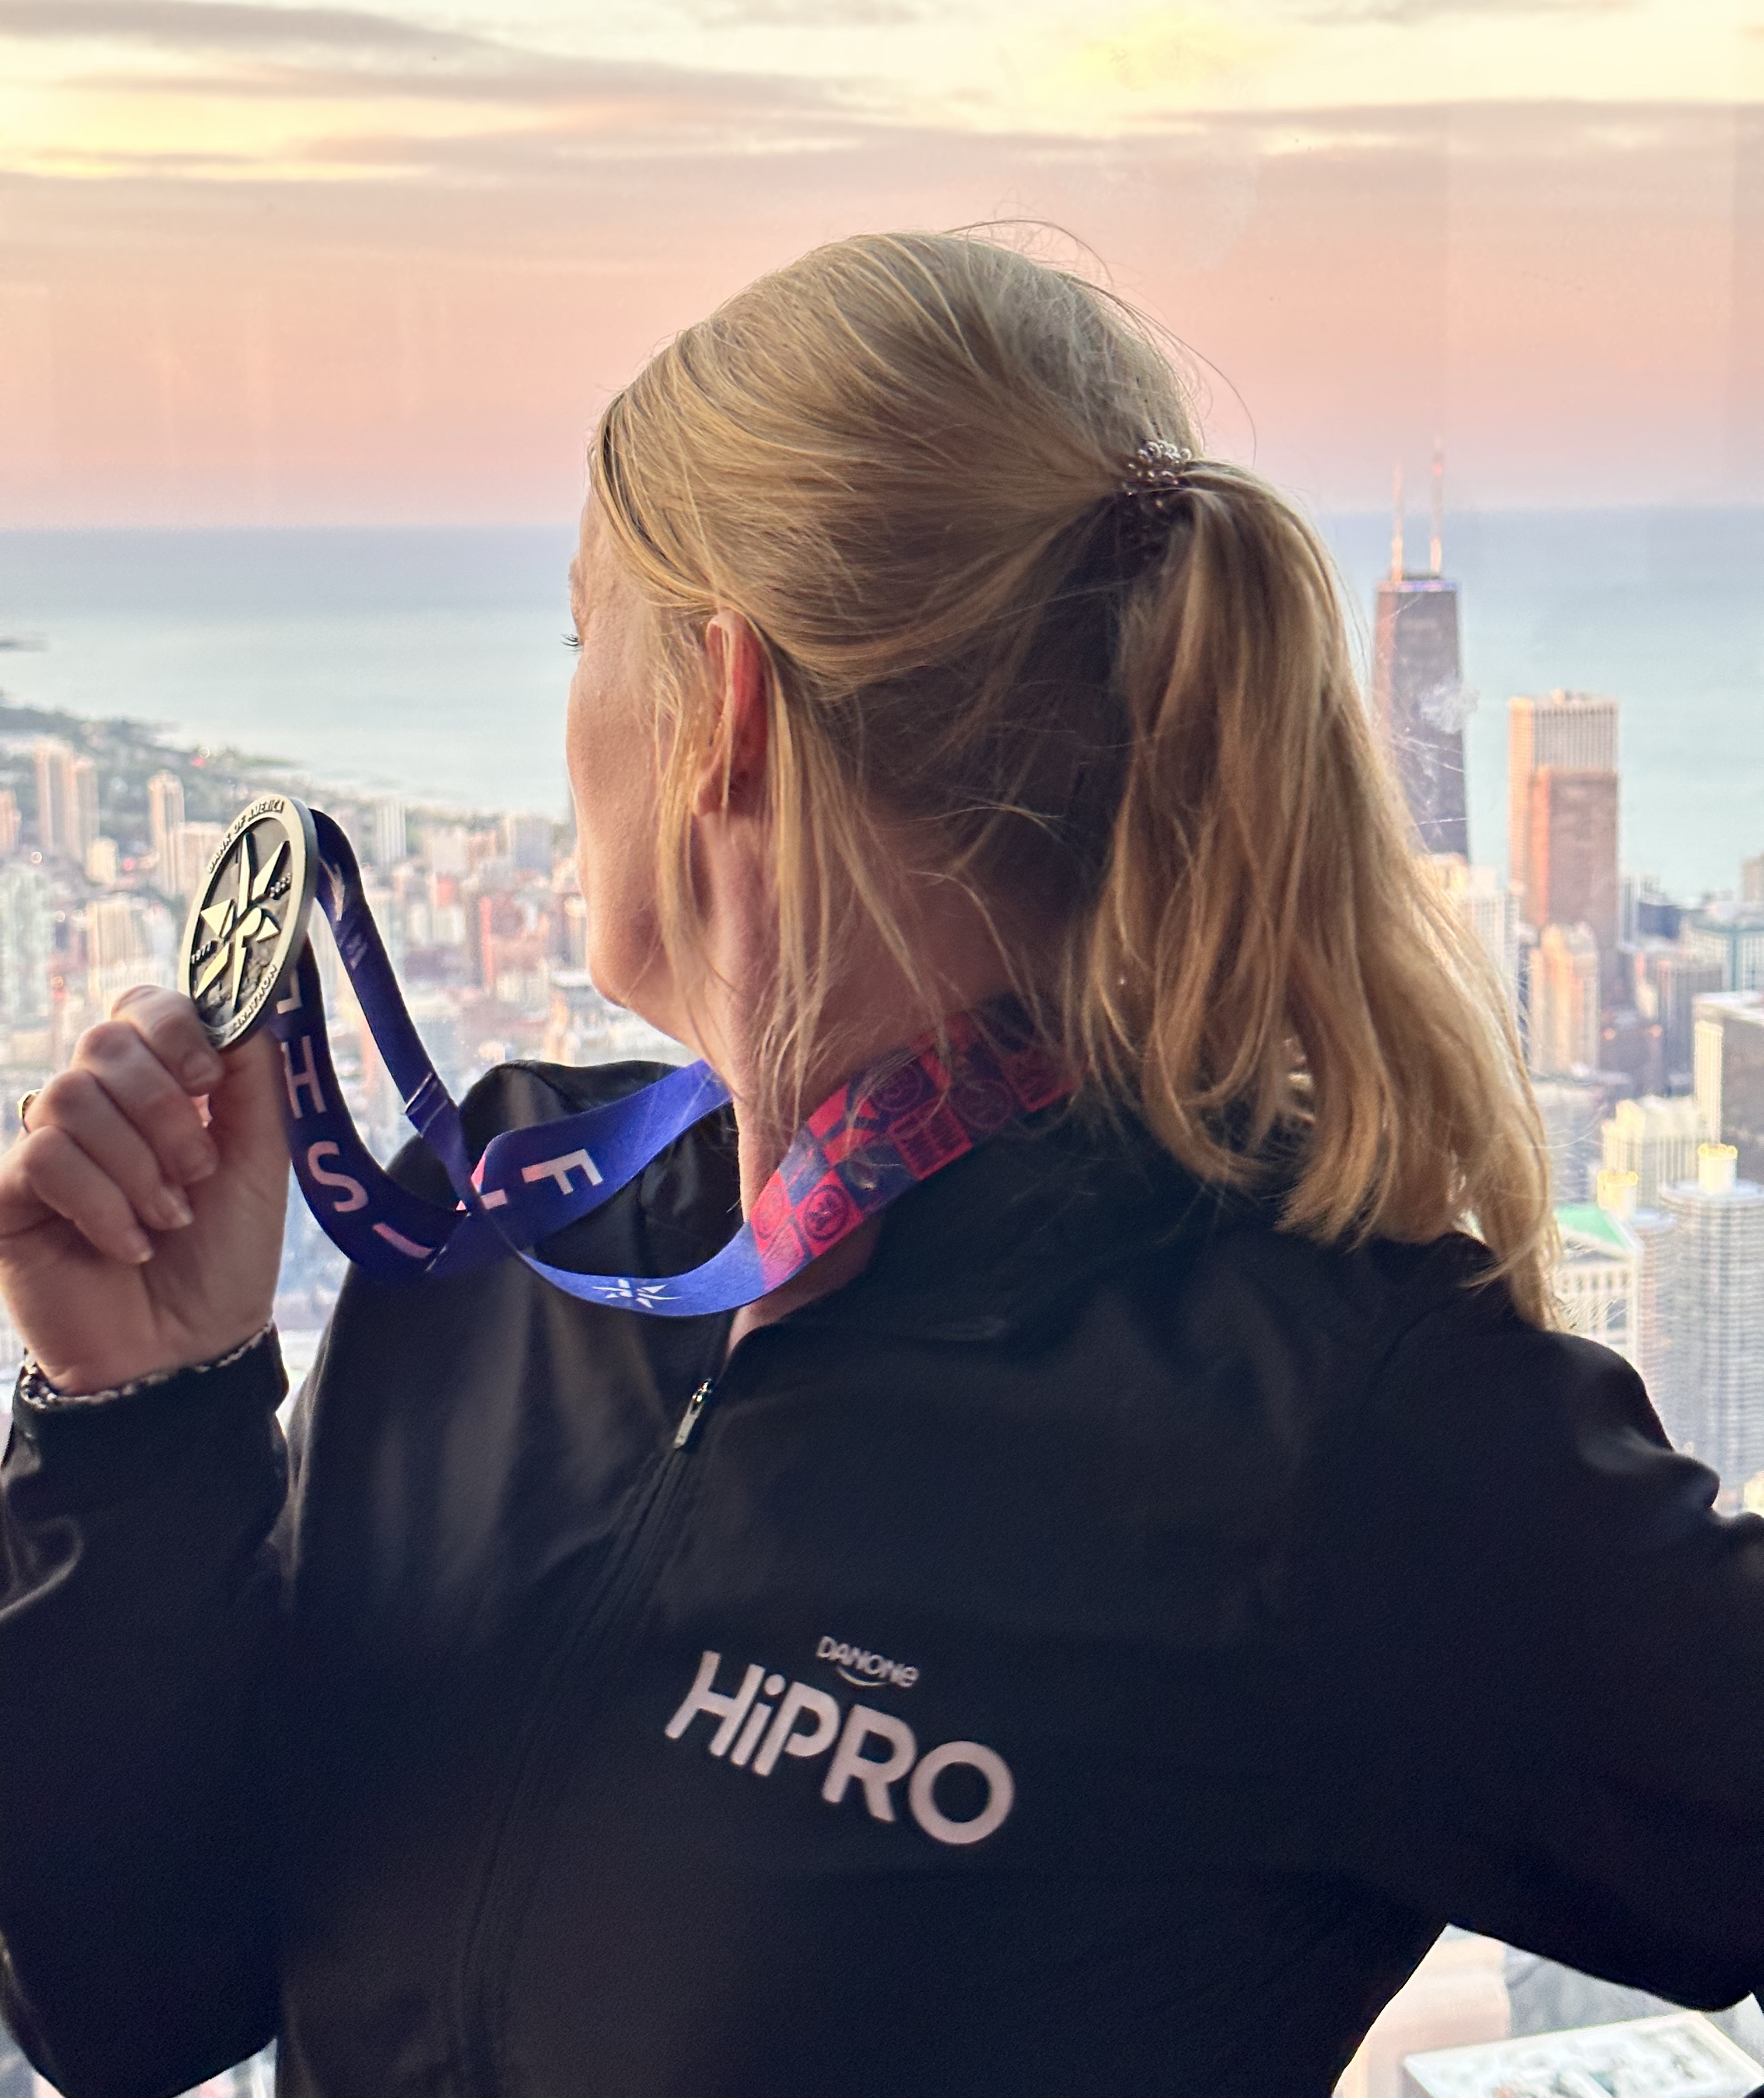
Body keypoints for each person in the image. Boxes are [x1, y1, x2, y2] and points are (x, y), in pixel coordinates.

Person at [0, 232, 1760, 2098]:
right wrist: (138, 1411)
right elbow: (132, 2001)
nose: (568, 722)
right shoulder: (503, 1231)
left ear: (723, 709)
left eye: (587, 642)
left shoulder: (1325, 1422)